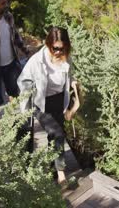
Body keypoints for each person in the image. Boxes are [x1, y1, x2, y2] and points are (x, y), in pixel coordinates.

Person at [17, 27, 78, 184]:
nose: (58, 51)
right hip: (41, 103)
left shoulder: (66, 57)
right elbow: (23, 81)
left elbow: (67, 76)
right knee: (57, 133)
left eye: (62, 48)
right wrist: (25, 108)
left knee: (55, 135)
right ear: (48, 44)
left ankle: (53, 168)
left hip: (59, 101)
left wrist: (73, 83)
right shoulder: (37, 61)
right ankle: (61, 174)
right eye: (55, 48)